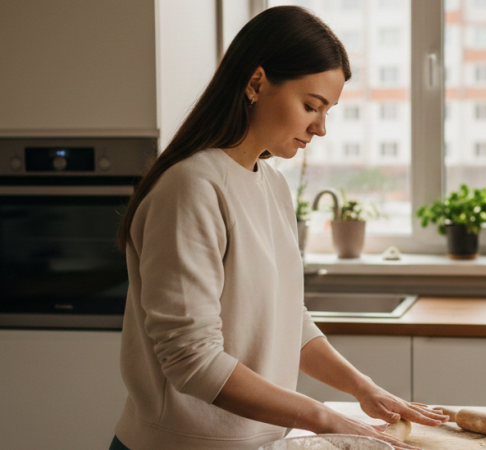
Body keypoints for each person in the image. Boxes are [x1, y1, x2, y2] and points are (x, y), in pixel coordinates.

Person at [111, 6, 446, 450]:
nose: (320, 128)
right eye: (311, 106)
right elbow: (192, 360)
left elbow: (288, 321)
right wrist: (322, 417)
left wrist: (364, 389)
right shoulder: (191, 187)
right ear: (256, 83)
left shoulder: (272, 185)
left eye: (327, 111)